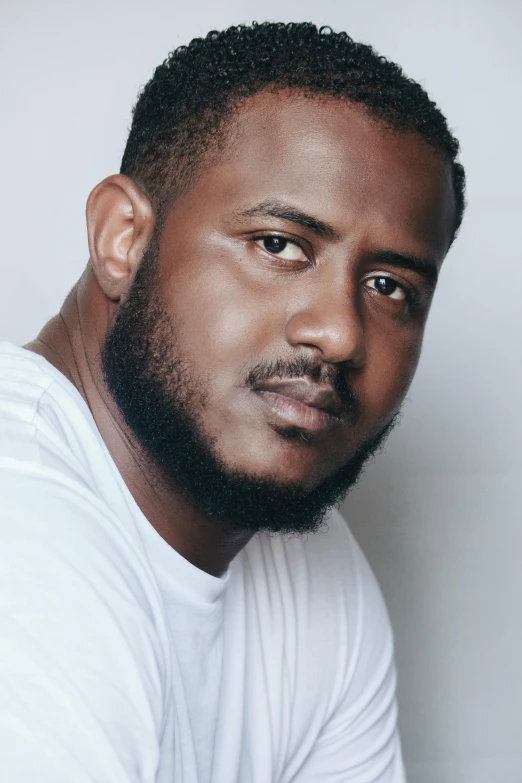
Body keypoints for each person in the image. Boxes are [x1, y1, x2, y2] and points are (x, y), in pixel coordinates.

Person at [0, 21, 464, 782]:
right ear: (123, 238)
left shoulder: (316, 572)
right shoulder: (17, 526)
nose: (340, 333)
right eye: (280, 244)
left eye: (390, 287)